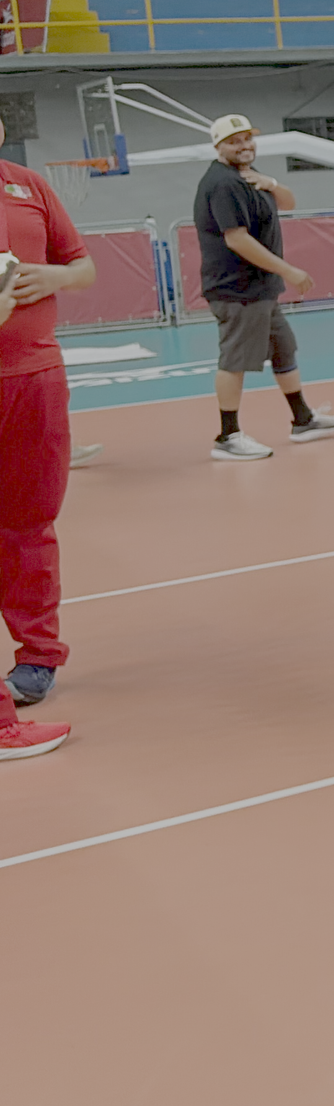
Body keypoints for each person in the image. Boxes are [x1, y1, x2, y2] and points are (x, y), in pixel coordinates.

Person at [0, 114, 93, 731]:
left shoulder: (28, 187)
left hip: (32, 381)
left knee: (30, 522)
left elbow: (81, 267)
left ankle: (38, 656)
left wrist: (51, 277)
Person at [192, 114, 334, 460]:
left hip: (261, 288)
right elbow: (237, 240)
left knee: (283, 350)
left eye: (248, 138)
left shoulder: (250, 178)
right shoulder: (223, 184)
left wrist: (272, 183)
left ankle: (303, 420)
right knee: (234, 360)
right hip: (237, 290)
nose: (244, 145)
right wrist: (289, 271)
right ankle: (227, 436)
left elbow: (289, 202)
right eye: (235, 141)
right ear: (218, 146)